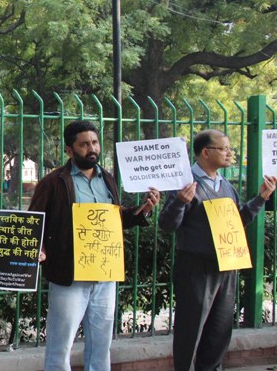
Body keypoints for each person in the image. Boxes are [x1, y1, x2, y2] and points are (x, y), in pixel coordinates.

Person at [28, 120, 160, 371]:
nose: (92, 148)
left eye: (95, 142)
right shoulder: (54, 182)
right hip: (69, 276)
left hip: (104, 277)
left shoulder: (107, 179)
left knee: (101, 347)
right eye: (84, 144)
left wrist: (143, 210)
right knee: (60, 347)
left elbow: (114, 219)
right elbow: (35, 222)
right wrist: (39, 247)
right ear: (69, 150)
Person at [159, 129, 276, 371]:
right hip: (196, 266)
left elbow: (237, 220)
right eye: (223, 149)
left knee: (219, 331)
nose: (229, 153)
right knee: (191, 329)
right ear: (205, 152)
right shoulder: (186, 182)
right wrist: (181, 201)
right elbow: (167, 224)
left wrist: (260, 199)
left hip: (226, 265)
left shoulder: (225, 185)